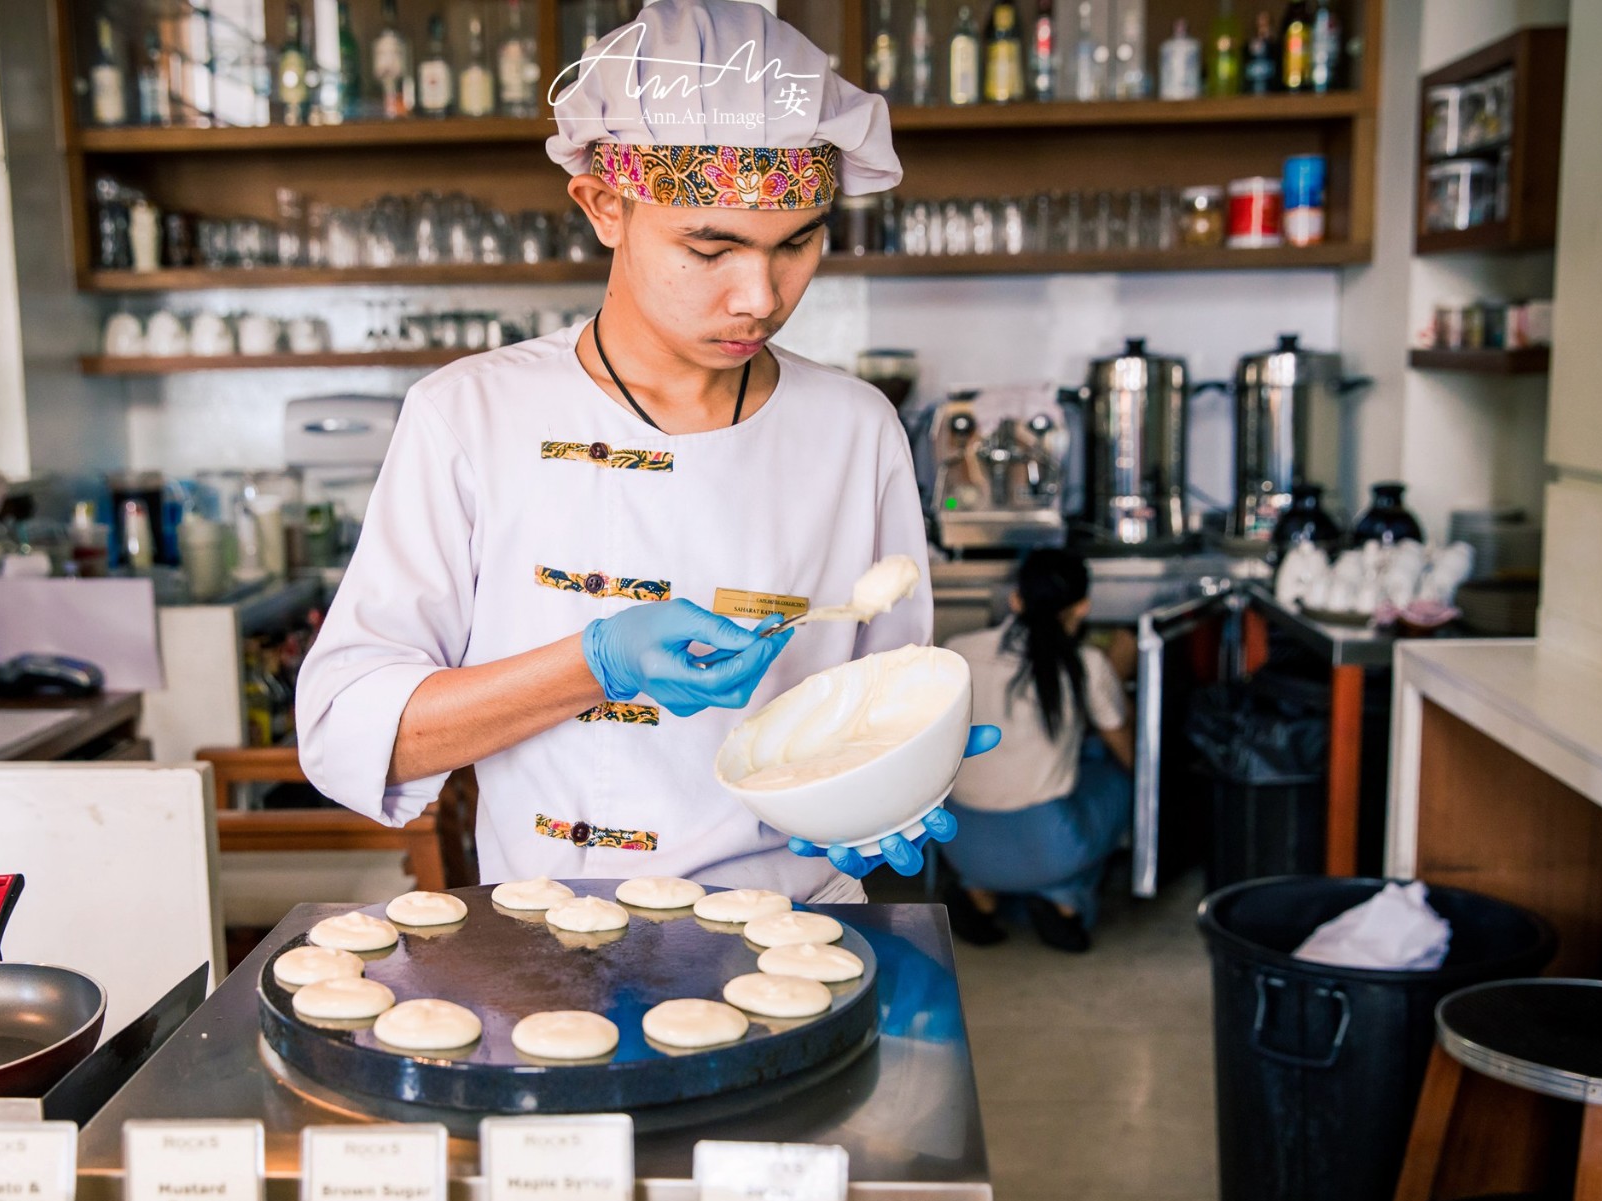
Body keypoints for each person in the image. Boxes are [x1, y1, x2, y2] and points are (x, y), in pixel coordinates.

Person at [295, 0, 996, 903]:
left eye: (799, 241)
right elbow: (346, 730)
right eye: (710, 245)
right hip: (548, 945)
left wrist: (897, 788)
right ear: (604, 206)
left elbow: (890, 702)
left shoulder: (856, 430)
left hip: (800, 928)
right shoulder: (469, 415)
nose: (759, 296)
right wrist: (596, 663)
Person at [941, 549, 1134, 951]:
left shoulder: (958, 649)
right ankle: (1062, 898)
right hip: (1050, 846)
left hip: (958, 841)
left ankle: (980, 893)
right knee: (1119, 777)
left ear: (1016, 600)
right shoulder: (1086, 662)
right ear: (1083, 608)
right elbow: (1124, 746)